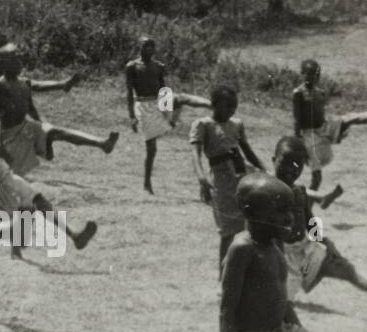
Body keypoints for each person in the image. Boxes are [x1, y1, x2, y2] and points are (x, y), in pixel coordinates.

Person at [0, 80, 98, 319]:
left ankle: (74, 235)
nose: (2, 111)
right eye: (0, 106)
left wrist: (20, 162)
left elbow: (0, 150)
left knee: (33, 196)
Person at [220, 175, 367, 332]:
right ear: (252, 212)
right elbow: (227, 313)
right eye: (280, 210)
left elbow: (282, 300)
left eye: (291, 209)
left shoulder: (276, 243)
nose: (290, 217)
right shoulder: (242, 250)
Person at [0, 43, 117, 175]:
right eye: (15, 60)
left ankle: (102, 143)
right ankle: (63, 86)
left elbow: (31, 106)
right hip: (9, 137)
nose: (20, 64)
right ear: (4, 64)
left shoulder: (23, 83)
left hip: (25, 129)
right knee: (11, 178)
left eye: (20, 60)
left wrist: (42, 124)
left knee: (58, 132)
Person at [272, 136, 361, 298]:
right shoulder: (266, 191)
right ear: (274, 160)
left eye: (298, 165)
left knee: (344, 268)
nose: (292, 169)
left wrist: (323, 242)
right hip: (281, 256)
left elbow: (310, 220)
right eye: (286, 162)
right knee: (281, 302)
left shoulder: (299, 190)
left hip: (305, 249)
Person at [191, 86, 267, 268]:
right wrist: (201, 178)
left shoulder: (237, 124)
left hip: (242, 175)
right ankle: (223, 274)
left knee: (248, 225)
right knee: (227, 230)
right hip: (221, 179)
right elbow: (196, 154)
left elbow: (248, 152)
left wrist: (263, 170)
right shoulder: (203, 125)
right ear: (214, 105)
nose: (232, 110)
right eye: (227, 106)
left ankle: (245, 272)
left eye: (234, 106)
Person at [124, 36, 210, 194]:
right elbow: (129, 92)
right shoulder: (132, 66)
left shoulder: (158, 66)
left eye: (152, 46)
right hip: (143, 105)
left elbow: (163, 89)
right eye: (145, 46)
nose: (149, 49)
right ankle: (147, 182)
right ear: (139, 48)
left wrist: (167, 111)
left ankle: (211, 104)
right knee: (152, 148)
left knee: (181, 98)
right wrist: (132, 117)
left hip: (159, 100)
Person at [292, 59, 367, 190]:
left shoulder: (320, 92)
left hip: (324, 128)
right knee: (317, 178)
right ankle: (308, 206)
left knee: (352, 118)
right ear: (302, 74)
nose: (314, 78)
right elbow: (297, 119)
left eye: (316, 75)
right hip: (309, 135)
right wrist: (298, 139)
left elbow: (320, 113)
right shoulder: (298, 93)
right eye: (309, 74)